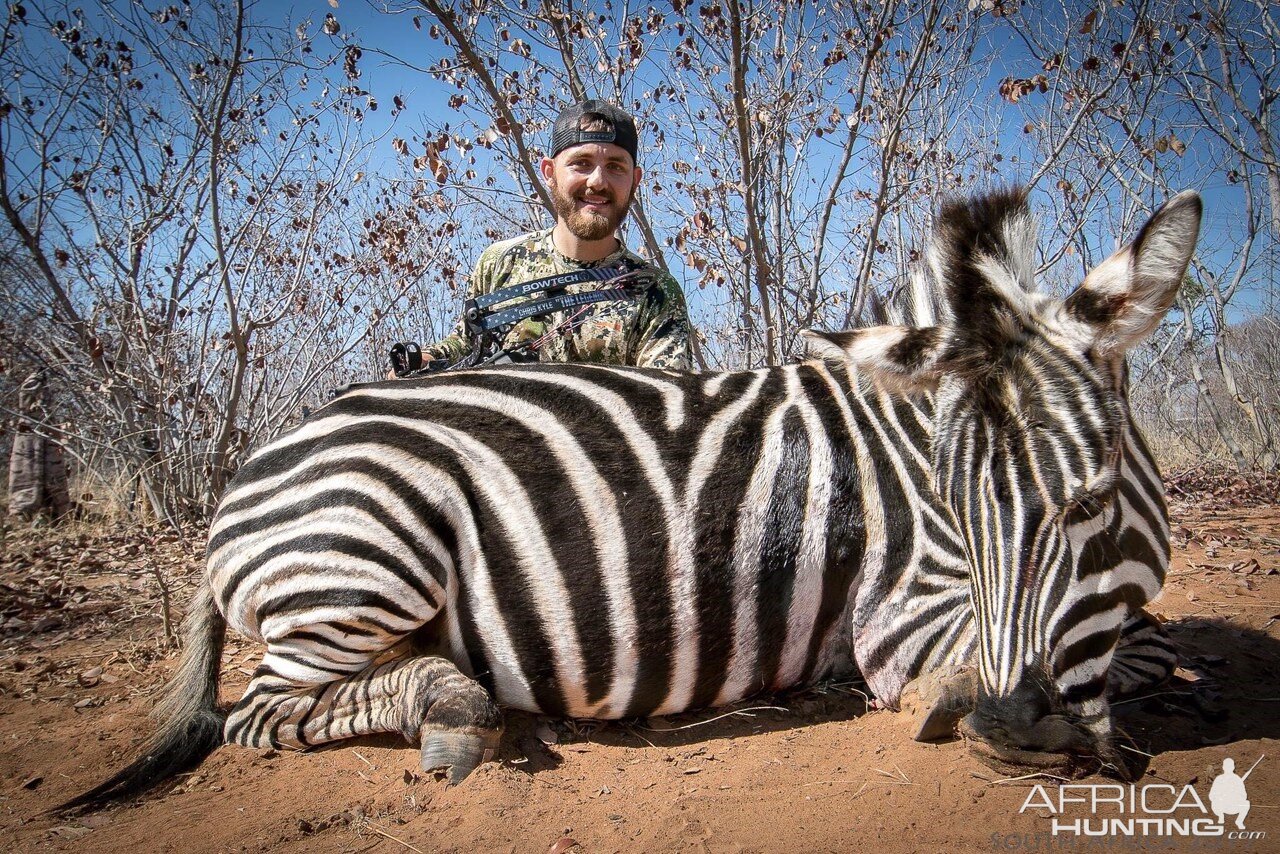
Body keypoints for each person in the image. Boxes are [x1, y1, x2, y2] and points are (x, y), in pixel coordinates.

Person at [418, 99, 692, 371]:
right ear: (549, 173)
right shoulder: (500, 261)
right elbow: (467, 344)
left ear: (635, 180)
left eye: (615, 167)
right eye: (581, 163)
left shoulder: (655, 292)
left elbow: (661, 399)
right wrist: (426, 359)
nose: (597, 181)